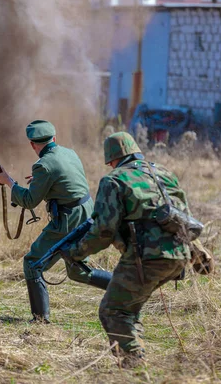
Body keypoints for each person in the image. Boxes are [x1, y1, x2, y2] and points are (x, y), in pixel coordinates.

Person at [63, 131, 192, 367]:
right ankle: (135, 353)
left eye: (109, 162)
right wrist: (196, 252)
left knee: (113, 310)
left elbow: (104, 231)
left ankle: (135, 368)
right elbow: (185, 216)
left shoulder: (113, 180)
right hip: (179, 254)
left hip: (147, 258)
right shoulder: (163, 173)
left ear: (113, 159)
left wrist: (75, 252)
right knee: (128, 307)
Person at [0, 120, 112, 323]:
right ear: (54, 139)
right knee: (77, 271)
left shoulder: (43, 165)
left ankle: (40, 320)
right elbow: (66, 180)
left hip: (68, 220)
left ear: (32, 144)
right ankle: (126, 286)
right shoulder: (69, 153)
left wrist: (8, 182)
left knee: (32, 263)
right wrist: (42, 181)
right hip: (87, 213)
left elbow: (30, 201)